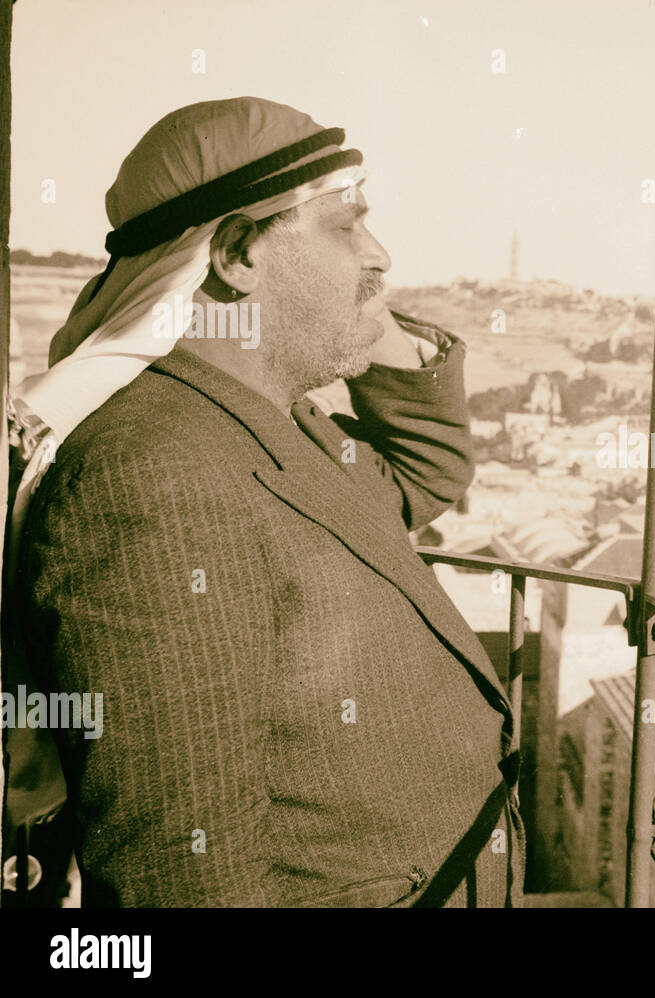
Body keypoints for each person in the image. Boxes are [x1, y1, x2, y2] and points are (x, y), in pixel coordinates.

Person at [7, 97, 523, 907]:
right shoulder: (154, 478)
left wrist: (359, 302)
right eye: (347, 225)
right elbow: (181, 872)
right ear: (241, 251)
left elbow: (422, 476)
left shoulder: (270, 419)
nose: (381, 253)